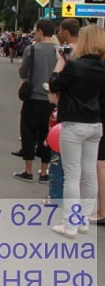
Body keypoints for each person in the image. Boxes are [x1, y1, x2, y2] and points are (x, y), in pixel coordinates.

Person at [47, 24, 105, 237]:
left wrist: (61, 62)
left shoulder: (75, 66)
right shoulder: (102, 67)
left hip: (74, 122)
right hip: (95, 124)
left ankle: (70, 224)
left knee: (72, 174)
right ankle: (83, 220)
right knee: (89, 173)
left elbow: (55, 85)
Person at [12, 19, 58, 183]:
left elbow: (23, 71)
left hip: (33, 98)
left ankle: (28, 170)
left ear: (40, 31)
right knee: (47, 136)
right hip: (51, 100)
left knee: (28, 133)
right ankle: (44, 172)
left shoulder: (31, 49)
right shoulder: (59, 51)